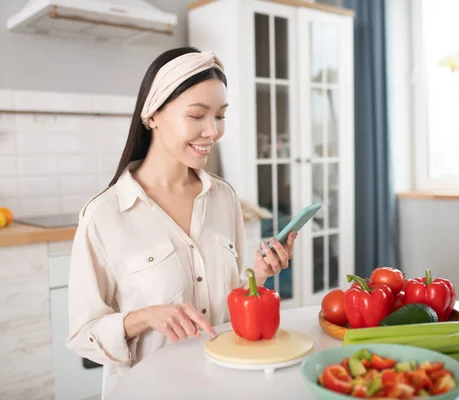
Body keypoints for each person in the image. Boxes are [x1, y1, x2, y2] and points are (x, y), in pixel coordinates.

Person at [65, 46, 298, 399]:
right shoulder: (105, 214)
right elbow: (83, 334)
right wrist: (143, 318)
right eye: (197, 115)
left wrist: (259, 273)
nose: (213, 131)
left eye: (220, 116)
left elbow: (226, 301)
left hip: (224, 384)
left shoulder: (223, 197)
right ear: (153, 115)